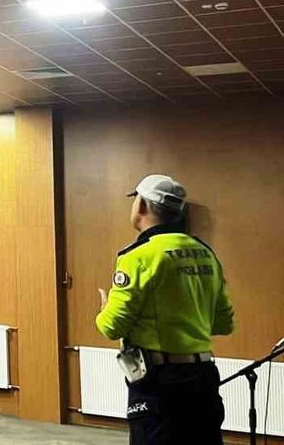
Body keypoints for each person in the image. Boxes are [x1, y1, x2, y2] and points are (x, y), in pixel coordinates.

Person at [97, 174, 234, 444]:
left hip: (160, 384)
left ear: (142, 205)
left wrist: (104, 310)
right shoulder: (205, 253)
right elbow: (223, 324)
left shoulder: (138, 256)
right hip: (203, 378)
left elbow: (112, 327)